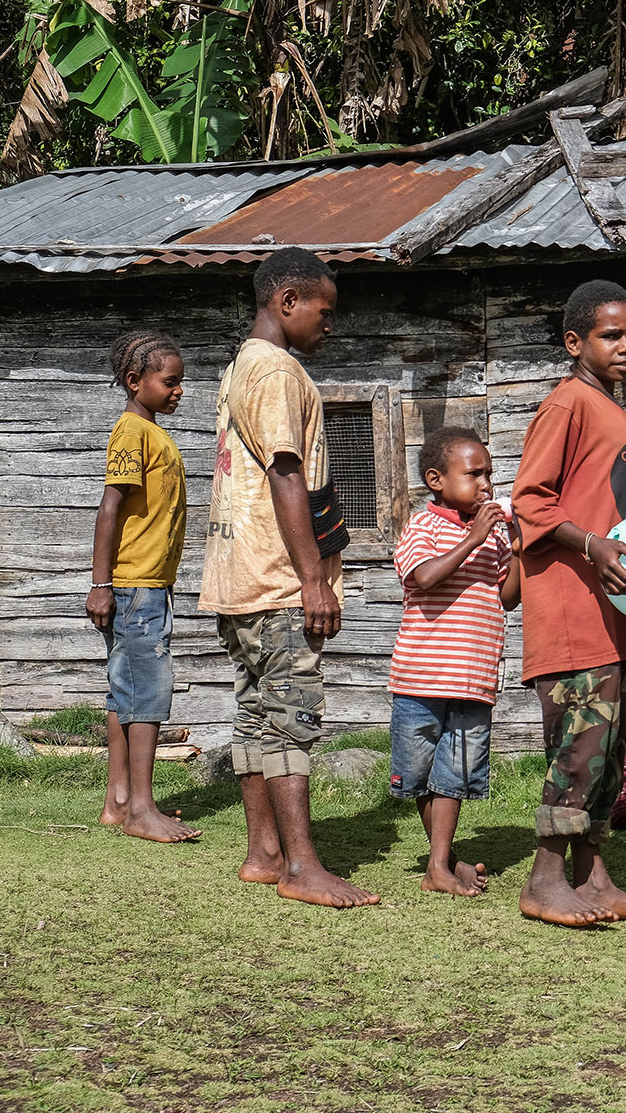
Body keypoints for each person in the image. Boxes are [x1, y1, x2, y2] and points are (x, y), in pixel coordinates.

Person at [200, 248, 377, 907]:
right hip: (275, 578)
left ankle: (264, 853)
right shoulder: (276, 371)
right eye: (323, 312)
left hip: (237, 577)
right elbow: (284, 472)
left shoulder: (241, 365)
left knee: (256, 717)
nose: (329, 325)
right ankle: (302, 866)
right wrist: (313, 579)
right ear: (288, 301)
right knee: (292, 717)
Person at [511, 279, 626, 927]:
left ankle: (594, 877)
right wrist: (593, 546)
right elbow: (529, 499)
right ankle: (545, 879)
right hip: (571, 604)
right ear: (576, 342)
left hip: (608, 609)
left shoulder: (612, 407)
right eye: (612, 334)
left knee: (607, 747)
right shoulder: (567, 403)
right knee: (579, 745)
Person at [387, 427, 520, 898]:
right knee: (421, 773)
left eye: (490, 474)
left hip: (474, 676)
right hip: (422, 675)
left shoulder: (496, 536)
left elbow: (507, 597)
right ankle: (441, 863)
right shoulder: (423, 526)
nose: (487, 484)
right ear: (436, 480)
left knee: (455, 774)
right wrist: (473, 537)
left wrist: (517, 548)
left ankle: (440, 864)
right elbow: (422, 576)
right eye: (474, 474)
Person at [87, 329, 199, 844]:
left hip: (145, 584)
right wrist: (101, 584)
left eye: (181, 382)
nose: (179, 390)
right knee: (149, 692)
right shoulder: (132, 432)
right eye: (169, 381)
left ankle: (119, 801)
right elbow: (110, 507)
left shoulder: (152, 432)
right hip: (134, 585)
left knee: (124, 691)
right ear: (135, 381)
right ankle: (143, 810)